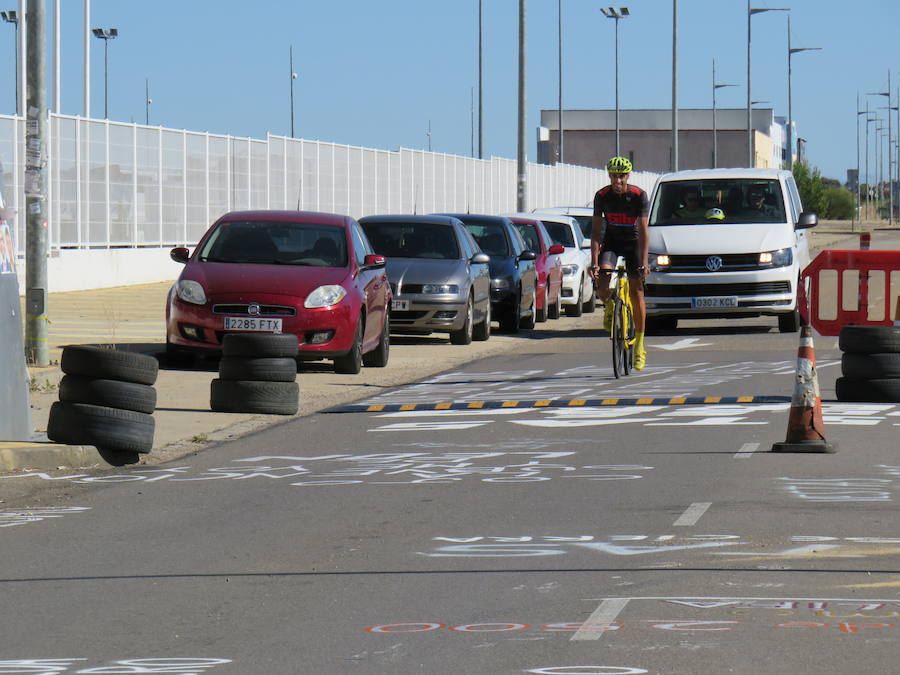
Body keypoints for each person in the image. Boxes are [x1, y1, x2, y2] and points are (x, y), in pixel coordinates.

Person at [590, 156, 650, 370]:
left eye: (622, 176)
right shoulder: (602, 196)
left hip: (633, 243)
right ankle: (609, 307)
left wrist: (644, 262)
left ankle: (640, 345)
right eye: (614, 176)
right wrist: (594, 262)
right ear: (609, 176)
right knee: (603, 283)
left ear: (628, 176)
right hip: (613, 242)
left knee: (637, 293)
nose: (618, 180)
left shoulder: (638, 196)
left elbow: (643, 231)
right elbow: (596, 232)